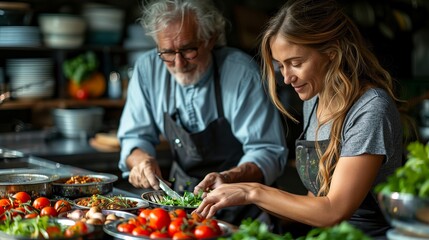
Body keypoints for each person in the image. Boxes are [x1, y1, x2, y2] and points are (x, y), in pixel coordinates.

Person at [193, 0, 403, 238]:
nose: (286, 78)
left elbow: (333, 211)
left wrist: (252, 192)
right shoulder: (313, 100)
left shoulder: (371, 109)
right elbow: (313, 203)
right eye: (280, 66)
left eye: (296, 63)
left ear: (331, 54)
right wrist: (234, 185)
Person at [117, 0, 288, 225]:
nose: (178, 63)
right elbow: (134, 137)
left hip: (245, 210)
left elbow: (268, 151)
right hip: (182, 210)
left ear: (210, 39)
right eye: (167, 52)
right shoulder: (147, 70)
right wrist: (141, 161)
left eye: (188, 50)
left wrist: (228, 178)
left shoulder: (242, 74)